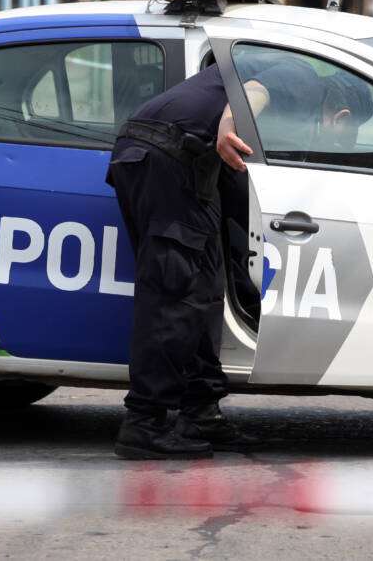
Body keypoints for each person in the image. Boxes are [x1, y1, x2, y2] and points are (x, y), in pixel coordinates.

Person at [105, 63, 261, 460]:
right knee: (173, 292)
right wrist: (230, 128)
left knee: (206, 290)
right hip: (168, 154)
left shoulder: (255, 47)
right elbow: (252, 93)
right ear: (338, 113)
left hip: (184, 159)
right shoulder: (293, 69)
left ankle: (200, 410)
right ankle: (144, 422)